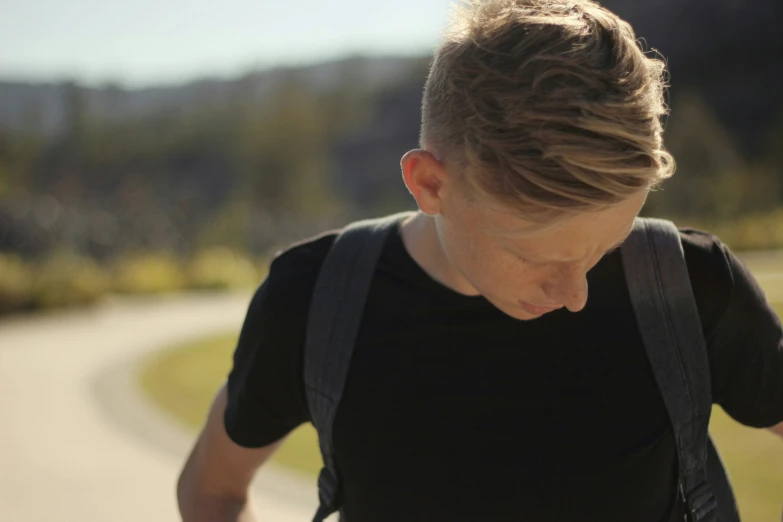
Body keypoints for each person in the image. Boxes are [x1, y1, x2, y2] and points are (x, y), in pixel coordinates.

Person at [176, 0, 783, 520]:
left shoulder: (691, 286)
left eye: (604, 248)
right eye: (531, 254)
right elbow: (213, 487)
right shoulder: (315, 301)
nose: (575, 293)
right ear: (429, 184)